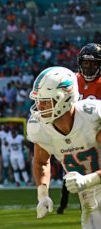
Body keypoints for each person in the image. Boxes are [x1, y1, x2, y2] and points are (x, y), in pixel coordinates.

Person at [29, 66, 101, 229]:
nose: (39, 107)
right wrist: (42, 194)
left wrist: (88, 180)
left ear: (65, 98)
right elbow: (41, 162)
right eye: (38, 101)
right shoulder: (40, 128)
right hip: (90, 202)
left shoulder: (92, 116)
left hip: (91, 186)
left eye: (45, 101)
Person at [58, 43, 101, 214]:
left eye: (93, 64)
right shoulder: (72, 81)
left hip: (96, 135)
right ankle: (64, 204)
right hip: (76, 134)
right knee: (71, 174)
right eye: (86, 63)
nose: (88, 67)